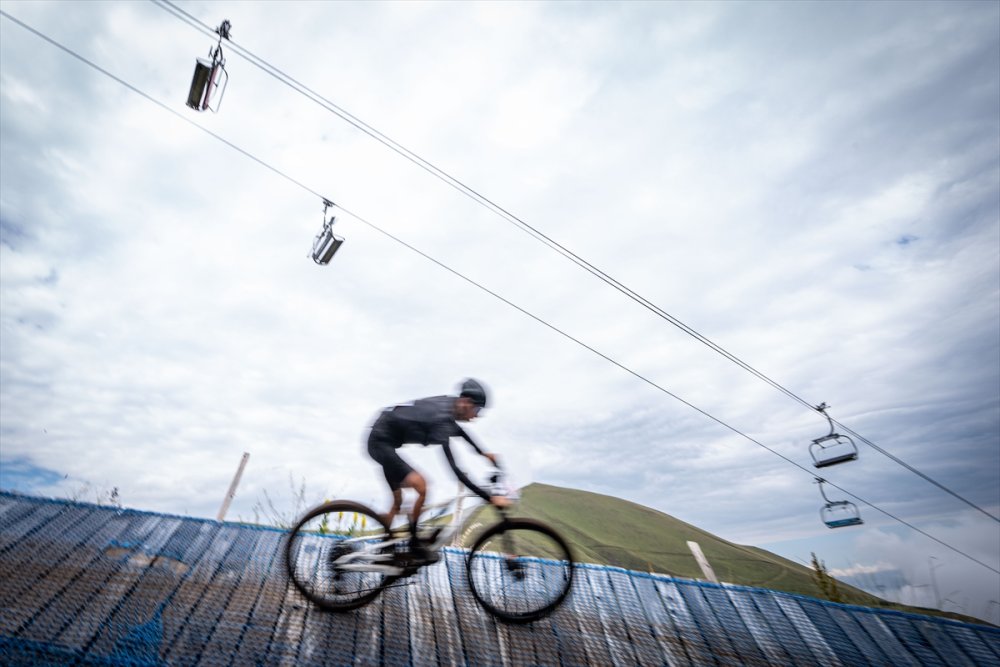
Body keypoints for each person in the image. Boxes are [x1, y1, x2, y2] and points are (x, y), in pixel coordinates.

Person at [367, 378, 511, 560]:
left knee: (398, 503)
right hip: (380, 442)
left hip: (384, 439)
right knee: (422, 486)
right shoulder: (441, 419)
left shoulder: (449, 406)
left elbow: (460, 432)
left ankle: (384, 547)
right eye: (478, 409)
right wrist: (489, 497)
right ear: (466, 402)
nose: (477, 416)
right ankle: (414, 544)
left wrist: (484, 453)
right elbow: (455, 469)